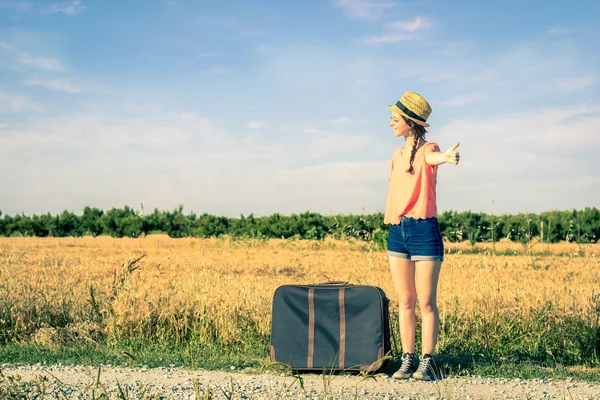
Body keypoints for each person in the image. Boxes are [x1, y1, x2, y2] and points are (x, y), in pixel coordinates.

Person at [384, 91, 460, 381]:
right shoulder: (395, 155)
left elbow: (435, 157)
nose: (391, 123)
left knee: (426, 302)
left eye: (395, 119)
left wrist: (448, 157)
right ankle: (407, 360)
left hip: (424, 231)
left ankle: (426, 362)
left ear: (410, 123)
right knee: (405, 300)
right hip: (397, 230)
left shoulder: (430, 148)